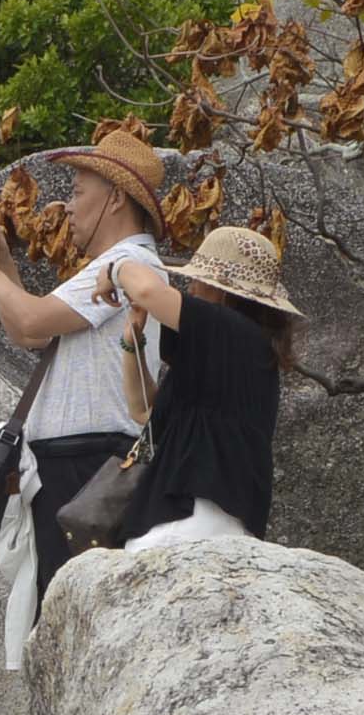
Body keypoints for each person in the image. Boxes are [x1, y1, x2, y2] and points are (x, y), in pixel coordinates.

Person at [0, 122, 172, 590]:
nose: (67, 206)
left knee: (64, 601)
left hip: (89, 461)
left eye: (76, 191)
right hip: (77, 461)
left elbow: (31, 323)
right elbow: (28, 331)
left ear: (115, 198)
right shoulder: (116, 266)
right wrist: (2, 262)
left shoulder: (127, 265)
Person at [109, 224, 300, 549]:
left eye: (201, 279)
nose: (192, 287)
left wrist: (115, 267)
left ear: (224, 290)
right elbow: (144, 411)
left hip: (192, 516)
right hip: (194, 516)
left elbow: (146, 291)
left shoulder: (234, 331)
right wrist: (133, 346)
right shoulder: (232, 352)